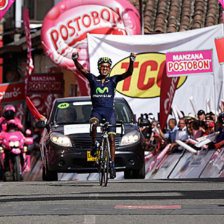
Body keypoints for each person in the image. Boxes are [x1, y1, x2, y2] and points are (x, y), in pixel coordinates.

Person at [72, 51, 136, 179]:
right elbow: (82, 70)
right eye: (103, 67)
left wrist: (132, 61)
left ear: (110, 69)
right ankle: (94, 143)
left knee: (112, 139)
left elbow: (128, 73)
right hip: (97, 110)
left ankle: (112, 165)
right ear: (99, 68)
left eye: (107, 67)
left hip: (109, 112)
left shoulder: (113, 79)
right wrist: (75, 60)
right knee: (94, 123)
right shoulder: (93, 79)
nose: (105, 69)